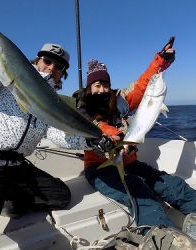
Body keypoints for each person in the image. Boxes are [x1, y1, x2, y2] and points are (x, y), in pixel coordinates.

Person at [0, 1, 117, 249]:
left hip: (16, 169)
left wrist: (91, 139)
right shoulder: (5, 77)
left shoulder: (54, 103)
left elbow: (59, 134)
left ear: (62, 76)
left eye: (59, 68)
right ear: (37, 61)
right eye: (48, 61)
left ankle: (10, 203)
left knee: (61, 195)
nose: (52, 68)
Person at [73, 43, 196, 237]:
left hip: (130, 163)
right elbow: (93, 128)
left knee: (171, 184)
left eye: (105, 84)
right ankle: (165, 240)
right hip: (100, 169)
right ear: (89, 87)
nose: (102, 89)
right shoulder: (81, 108)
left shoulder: (119, 100)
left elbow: (142, 85)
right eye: (97, 85)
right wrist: (120, 137)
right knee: (142, 196)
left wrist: (161, 61)